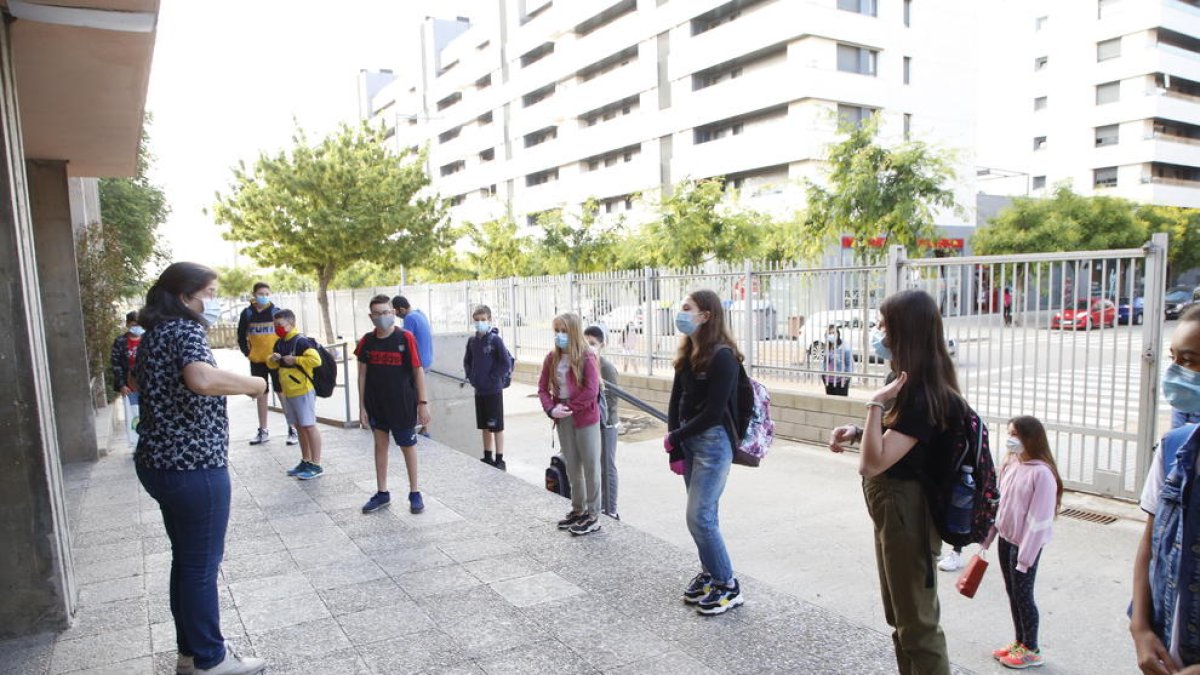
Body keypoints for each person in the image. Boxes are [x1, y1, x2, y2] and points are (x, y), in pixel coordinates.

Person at [133, 262, 267, 675]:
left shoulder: (154, 334)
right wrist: (256, 384)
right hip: (193, 465)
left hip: (158, 461)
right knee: (201, 565)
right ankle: (210, 658)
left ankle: (190, 654)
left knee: (186, 562)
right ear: (184, 295)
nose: (213, 302)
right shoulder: (186, 330)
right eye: (209, 293)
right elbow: (201, 379)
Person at [829, 289, 958, 674]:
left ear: (905, 330)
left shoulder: (922, 391)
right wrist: (857, 429)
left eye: (884, 325)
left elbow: (872, 463)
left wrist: (874, 404)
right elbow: (889, 441)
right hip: (892, 508)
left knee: (917, 624)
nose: (877, 332)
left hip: (907, 511)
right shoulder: (904, 378)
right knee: (900, 617)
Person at [667, 290, 745, 616]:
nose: (680, 313)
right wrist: (675, 446)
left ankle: (728, 585)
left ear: (706, 315)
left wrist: (677, 436)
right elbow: (676, 402)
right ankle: (711, 574)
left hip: (714, 444)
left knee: (699, 516)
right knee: (703, 517)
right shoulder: (689, 352)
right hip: (690, 441)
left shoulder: (723, 357)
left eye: (687, 308)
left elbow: (714, 413)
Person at [1131, 305, 1200, 675]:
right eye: (1174, 358)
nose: (1175, 373)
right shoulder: (1174, 449)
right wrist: (1140, 627)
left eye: (1189, 361)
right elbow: (1150, 543)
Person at [982, 415, 1062, 670]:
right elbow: (1001, 504)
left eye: (1015, 435)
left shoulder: (1042, 475)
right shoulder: (1011, 463)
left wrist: (1025, 558)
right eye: (1009, 434)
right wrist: (989, 537)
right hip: (1006, 540)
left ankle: (1032, 648)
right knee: (1013, 593)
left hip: (1024, 546)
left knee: (1024, 595)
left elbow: (1039, 521)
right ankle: (1019, 642)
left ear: (1030, 438)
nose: (1010, 440)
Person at [357, 294, 431, 514]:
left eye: (386, 312)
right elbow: (362, 375)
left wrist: (423, 403)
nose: (382, 317)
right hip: (376, 404)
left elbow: (418, 370)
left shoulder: (405, 338)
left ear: (394, 313)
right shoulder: (366, 342)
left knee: (408, 446)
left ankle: (415, 492)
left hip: (403, 403)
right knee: (380, 446)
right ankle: (382, 493)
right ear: (371, 317)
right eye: (378, 313)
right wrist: (361, 407)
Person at [538, 312, 603, 537]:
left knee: (591, 465)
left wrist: (571, 407)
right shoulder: (551, 358)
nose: (559, 335)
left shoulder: (587, 357)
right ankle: (578, 509)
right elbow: (542, 388)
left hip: (584, 417)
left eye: (564, 331)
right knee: (572, 466)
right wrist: (551, 408)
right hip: (562, 417)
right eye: (556, 331)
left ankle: (593, 514)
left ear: (573, 332)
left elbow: (591, 391)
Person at [266, 309, 324, 480]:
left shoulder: (301, 341)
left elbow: (316, 360)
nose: (277, 328)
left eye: (280, 325)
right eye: (275, 325)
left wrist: (296, 360)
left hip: (303, 390)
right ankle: (306, 460)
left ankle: (316, 463)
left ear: (291, 323)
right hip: (289, 390)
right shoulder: (279, 342)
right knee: (299, 426)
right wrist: (273, 358)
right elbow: (272, 366)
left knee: (309, 425)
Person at [236, 282, 296, 447]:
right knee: (261, 394)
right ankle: (263, 430)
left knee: (282, 393)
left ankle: (292, 428)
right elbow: (241, 336)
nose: (264, 296)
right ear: (254, 294)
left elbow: (286, 335)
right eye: (260, 293)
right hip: (257, 361)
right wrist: (248, 353)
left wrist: (283, 355)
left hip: (276, 360)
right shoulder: (247, 313)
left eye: (267, 293)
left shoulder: (276, 312)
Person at [464, 305, 512, 470]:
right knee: (484, 426)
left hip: (493, 390)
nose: (480, 323)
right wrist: (472, 377)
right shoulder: (472, 341)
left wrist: (492, 377)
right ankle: (487, 456)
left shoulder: (495, 340)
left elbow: (505, 363)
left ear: (489, 320)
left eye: (483, 320)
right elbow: (467, 362)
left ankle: (500, 459)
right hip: (480, 390)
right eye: (477, 320)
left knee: (496, 426)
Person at [585, 325, 621, 520]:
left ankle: (611, 509)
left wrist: (603, 419)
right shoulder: (584, 363)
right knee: (594, 465)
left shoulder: (606, 367)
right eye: (586, 343)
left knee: (607, 466)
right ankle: (596, 506)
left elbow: (614, 399)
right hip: (591, 422)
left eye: (593, 344)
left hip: (607, 423)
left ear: (602, 345)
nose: (589, 347)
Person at [393, 295, 434, 437]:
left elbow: (404, 339)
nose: (396, 316)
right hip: (427, 360)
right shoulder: (420, 314)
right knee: (421, 395)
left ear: (402, 309)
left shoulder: (409, 318)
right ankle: (424, 427)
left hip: (418, 363)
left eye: (396, 312)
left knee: (416, 396)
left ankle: (423, 428)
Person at [111, 310, 143, 400]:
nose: (137, 328)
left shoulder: (147, 339)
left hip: (145, 384)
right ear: (127, 324)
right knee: (134, 413)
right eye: (134, 325)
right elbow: (116, 364)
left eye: (139, 325)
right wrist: (122, 385)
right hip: (128, 386)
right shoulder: (120, 341)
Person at [822, 324, 853, 397]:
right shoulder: (827, 346)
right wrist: (823, 375)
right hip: (829, 379)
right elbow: (824, 362)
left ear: (838, 334)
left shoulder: (844, 347)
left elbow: (849, 364)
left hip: (840, 380)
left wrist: (846, 378)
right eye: (830, 333)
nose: (832, 335)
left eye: (834, 333)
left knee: (841, 402)